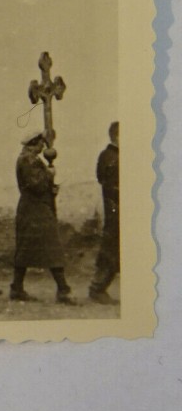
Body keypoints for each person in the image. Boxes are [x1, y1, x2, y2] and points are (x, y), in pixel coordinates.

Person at [9, 131, 76, 305]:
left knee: (26, 248)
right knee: (51, 246)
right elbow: (36, 185)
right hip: (35, 209)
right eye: (41, 143)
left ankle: (17, 288)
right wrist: (49, 174)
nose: (43, 147)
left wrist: (50, 188)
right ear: (34, 143)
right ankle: (63, 290)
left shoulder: (29, 158)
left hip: (33, 208)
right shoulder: (28, 159)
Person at [89, 122, 121, 304]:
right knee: (111, 248)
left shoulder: (111, 155)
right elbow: (107, 183)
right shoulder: (110, 157)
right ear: (117, 136)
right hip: (115, 209)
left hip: (118, 208)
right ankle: (97, 288)